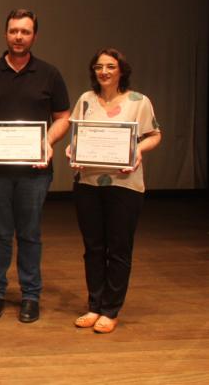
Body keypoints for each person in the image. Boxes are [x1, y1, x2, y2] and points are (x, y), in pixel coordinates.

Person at [0, 9, 69, 323]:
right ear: (5, 34)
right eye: (13, 31)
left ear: (34, 36)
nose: (19, 37)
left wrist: (47, 142)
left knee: (29, 233)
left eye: (25, 32)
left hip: (35, 171)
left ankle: (30, 296)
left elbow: (63, 117)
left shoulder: (49, 74)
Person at [67, 48, 160, 334]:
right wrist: (72, 149)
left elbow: (154, 135)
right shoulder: (86, 99)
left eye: (110, 66)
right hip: (88, 184)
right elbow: (77, 136)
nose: (104, 71)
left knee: (118, 248)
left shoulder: (138, 101)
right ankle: (94, 305)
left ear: (121, 70)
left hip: (125, 185)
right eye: (98, 67)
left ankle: (111, 309)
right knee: (93, 248)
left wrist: (137, 151)